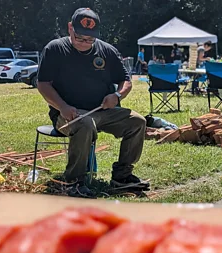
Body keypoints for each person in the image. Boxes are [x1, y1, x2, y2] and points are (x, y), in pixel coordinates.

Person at [37, 7, 150, 197]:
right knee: (85, 124)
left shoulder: (107, 51)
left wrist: (117, 96)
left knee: (137, 122)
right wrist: (62, 106)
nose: (84, 43)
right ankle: (74, 182)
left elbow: (126, 81)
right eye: (79, 38)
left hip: (103, 112)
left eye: (90, 39)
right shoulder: (55, 49)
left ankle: (121, 177)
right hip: (68, 114)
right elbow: (43, 84)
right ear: (70, 28)